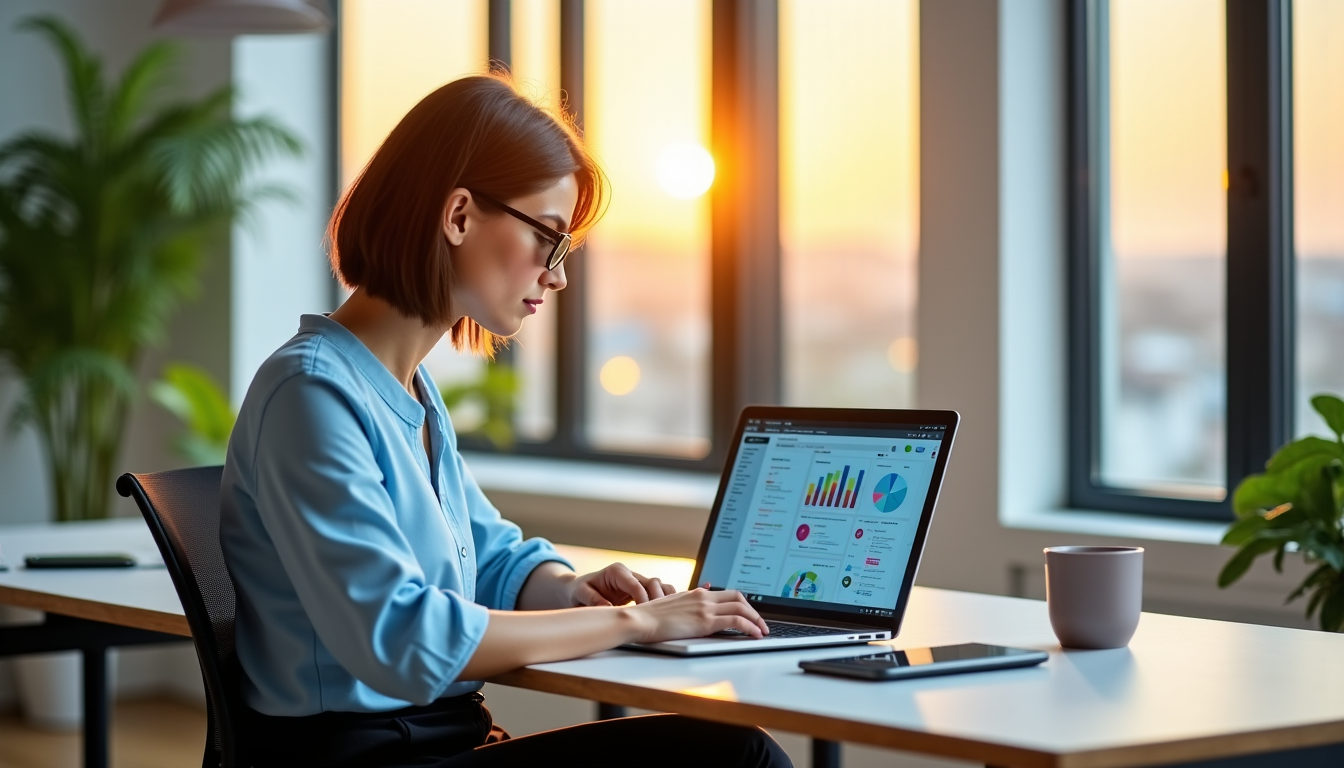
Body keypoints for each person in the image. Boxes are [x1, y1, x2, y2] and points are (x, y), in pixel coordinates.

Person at [219, 75, 792, 768]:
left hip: (444, 740)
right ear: (458, 215)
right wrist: (632, 621)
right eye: (548, 238)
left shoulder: (411, 392)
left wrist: (571, 589)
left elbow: (490, 558)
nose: (557, 276)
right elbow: (403, 640)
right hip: (365, 758)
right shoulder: (310, 395)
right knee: (738, 759)